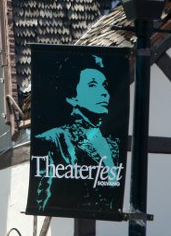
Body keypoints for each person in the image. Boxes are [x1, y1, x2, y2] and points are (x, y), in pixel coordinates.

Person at [34, 53, 123, 214]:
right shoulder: (54, 138)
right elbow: (42, 198)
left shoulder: (114, 142)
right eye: (92, 85)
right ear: (72, 97)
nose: (104, 92)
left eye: (104, 85)